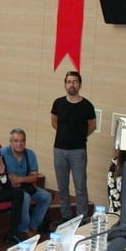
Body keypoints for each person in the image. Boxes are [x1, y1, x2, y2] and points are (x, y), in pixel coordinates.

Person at [50, 71, 96, 222]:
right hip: (59, 150)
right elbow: (54, 122)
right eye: (69, 82)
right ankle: (66, 216)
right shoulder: (58, 103)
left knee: (80, 187)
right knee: (62, 187)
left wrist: (77, 137)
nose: (72, 85)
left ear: (80, 85)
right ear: (65, 84)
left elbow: (92, 126)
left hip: (78, 151)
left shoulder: (87, 106)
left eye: (75, 82)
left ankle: (82, 218)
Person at [2, 128, 52, 239]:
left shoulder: (30, 154)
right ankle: (23, 229)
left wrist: (19, 179)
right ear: (10, 142)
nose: (19, 144)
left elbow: (34, 177)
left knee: (46, 196)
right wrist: (11, 181)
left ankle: (33, 226)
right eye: (16, 141)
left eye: (22, 140)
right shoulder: (3, 153)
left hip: (26, 185)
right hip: (9, 188)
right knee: (25, 197)